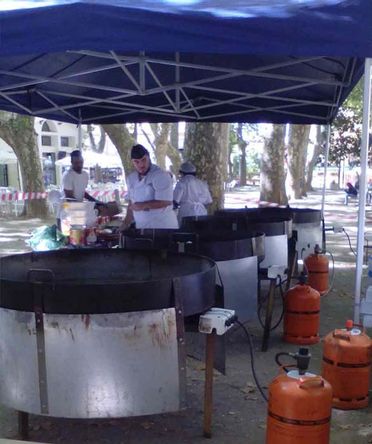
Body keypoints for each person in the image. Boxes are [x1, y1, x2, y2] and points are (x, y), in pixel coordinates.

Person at [122, 144, 178, 229]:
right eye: (136, 162)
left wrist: (142, 205)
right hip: (141, 226)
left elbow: (166, 201)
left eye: (143, 160)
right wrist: (126, 223)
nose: (141, 165)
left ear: (149, 157)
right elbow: (131, 203)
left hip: (162, 227)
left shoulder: (160, 175)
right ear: (132, 162)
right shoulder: (131, 178)